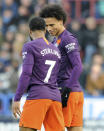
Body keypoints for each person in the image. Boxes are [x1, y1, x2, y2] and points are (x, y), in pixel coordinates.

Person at [12, 16, 65, 131]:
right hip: (55, 97)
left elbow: (26, 73)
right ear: (45, 30)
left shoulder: (29, 46)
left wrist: (17, 98)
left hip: (38, 95)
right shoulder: (56, 49)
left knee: (26, 129)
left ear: (30, 31)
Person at [40, 4, 84, 131]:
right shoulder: (55, 41)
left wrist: (66, 90)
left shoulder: (67, 39)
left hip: (67, 91)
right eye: (46, 25)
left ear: (61, 21)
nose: (49, 28)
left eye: (52, 25)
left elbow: (78, 66)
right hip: (74, 92)